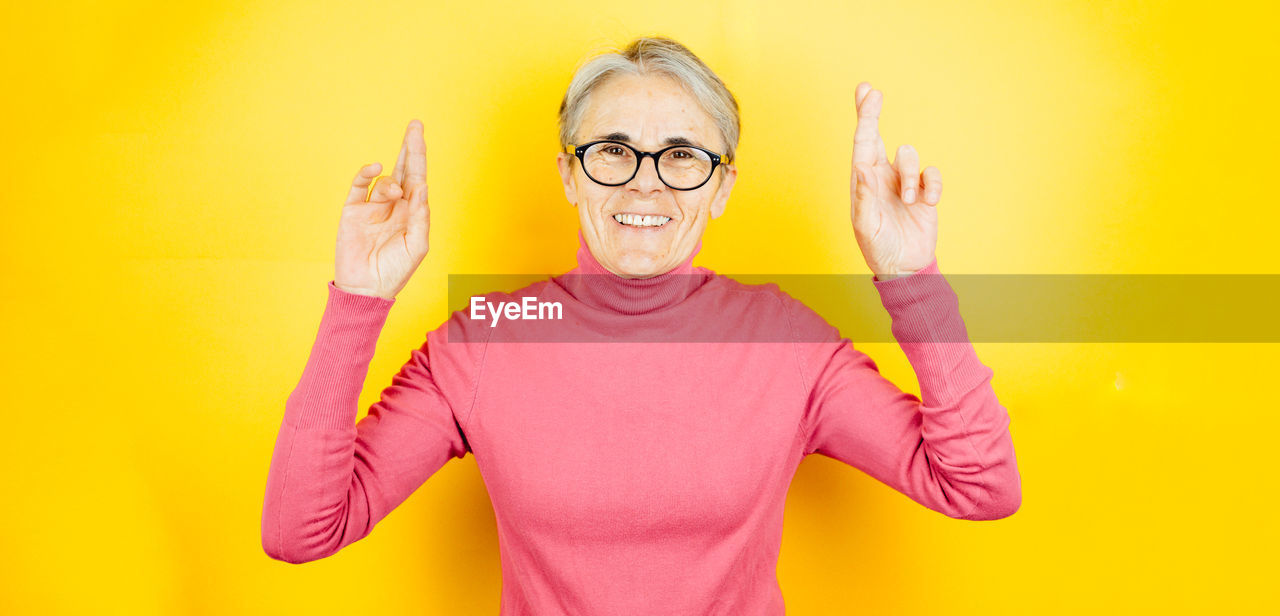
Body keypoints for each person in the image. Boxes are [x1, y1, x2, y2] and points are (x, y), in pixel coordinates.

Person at [261, 36, 1021, 614]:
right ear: (568, 172)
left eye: (683, 156)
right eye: (613, 151)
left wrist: (908, 279)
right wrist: (358, 300)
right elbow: (301, 531)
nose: (646, 182)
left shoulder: (786, 341)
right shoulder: (486, 337)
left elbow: (979, 487)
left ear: (722, 186)